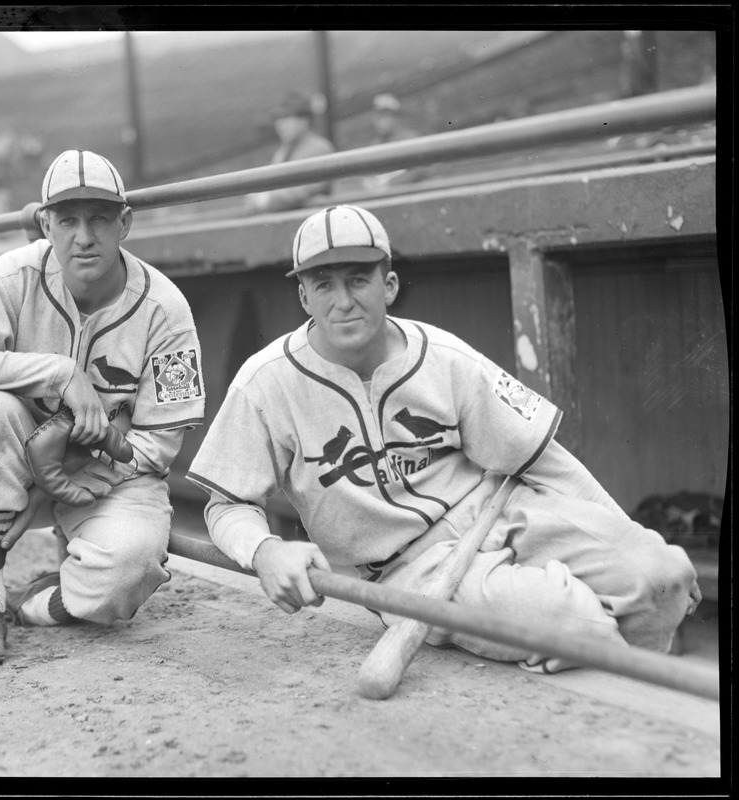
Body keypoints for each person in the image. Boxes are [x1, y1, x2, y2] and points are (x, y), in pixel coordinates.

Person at [186, 204, 700, 672]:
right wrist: (265, 550)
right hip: (405, 568)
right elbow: (226, 504)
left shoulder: (444, 355)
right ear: (303, 295)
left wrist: (628, 535)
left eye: (359, 279)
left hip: (502, 509)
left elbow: (545, 461)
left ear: (388, 284)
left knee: (663, 575)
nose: (343, 301)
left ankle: (629, 703)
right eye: (323, 284)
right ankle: (610, 707)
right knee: (580, 627)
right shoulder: (267, 381)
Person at [0, 149, 205, 668]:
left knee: (132, 569)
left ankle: (42, 602)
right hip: (21, 463)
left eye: (98, 218)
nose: (84, 235)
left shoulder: (166, 308)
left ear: (125, 223)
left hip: (109, 476)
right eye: (68, 219)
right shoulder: (11, 277)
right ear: (46, 225)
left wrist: (72, 468)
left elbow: (161, 441)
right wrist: (56, 372)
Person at [244, 91, 336, 214]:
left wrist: (268, 199)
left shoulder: (320, 147)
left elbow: (308, 188)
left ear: (304, 121)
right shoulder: (281, 152)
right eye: (278, 119)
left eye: (287, 118)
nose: (281, 125)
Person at [361, 93, 420, 191]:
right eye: (378, 117)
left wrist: (391, 184)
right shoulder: (376, 143)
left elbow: (420, 170)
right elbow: (369, 174)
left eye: (386, 116)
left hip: (409, 195)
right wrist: (369, 181)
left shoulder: (410, 139)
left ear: (396, 118)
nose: (381, 121)